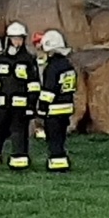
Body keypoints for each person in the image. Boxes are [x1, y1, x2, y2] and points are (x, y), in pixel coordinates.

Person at [0, 21, 40, 170]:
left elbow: (33, 85)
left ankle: (19, 162)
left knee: (19, 134)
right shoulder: (1, 60)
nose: (17, 41)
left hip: (20, 107)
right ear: (9, 39)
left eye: (20, 38)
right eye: (14, 38)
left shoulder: (28, 60)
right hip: (2, 105)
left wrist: (31, 105)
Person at [36, 30, 78, 172]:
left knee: (53, 139)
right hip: (66, 108)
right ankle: (63, 163)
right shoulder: (69, 66)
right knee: (60, 138)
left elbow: (48, 91)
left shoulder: (52, 68)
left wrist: (42, 108)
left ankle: (56, 164)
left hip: (54, 109)